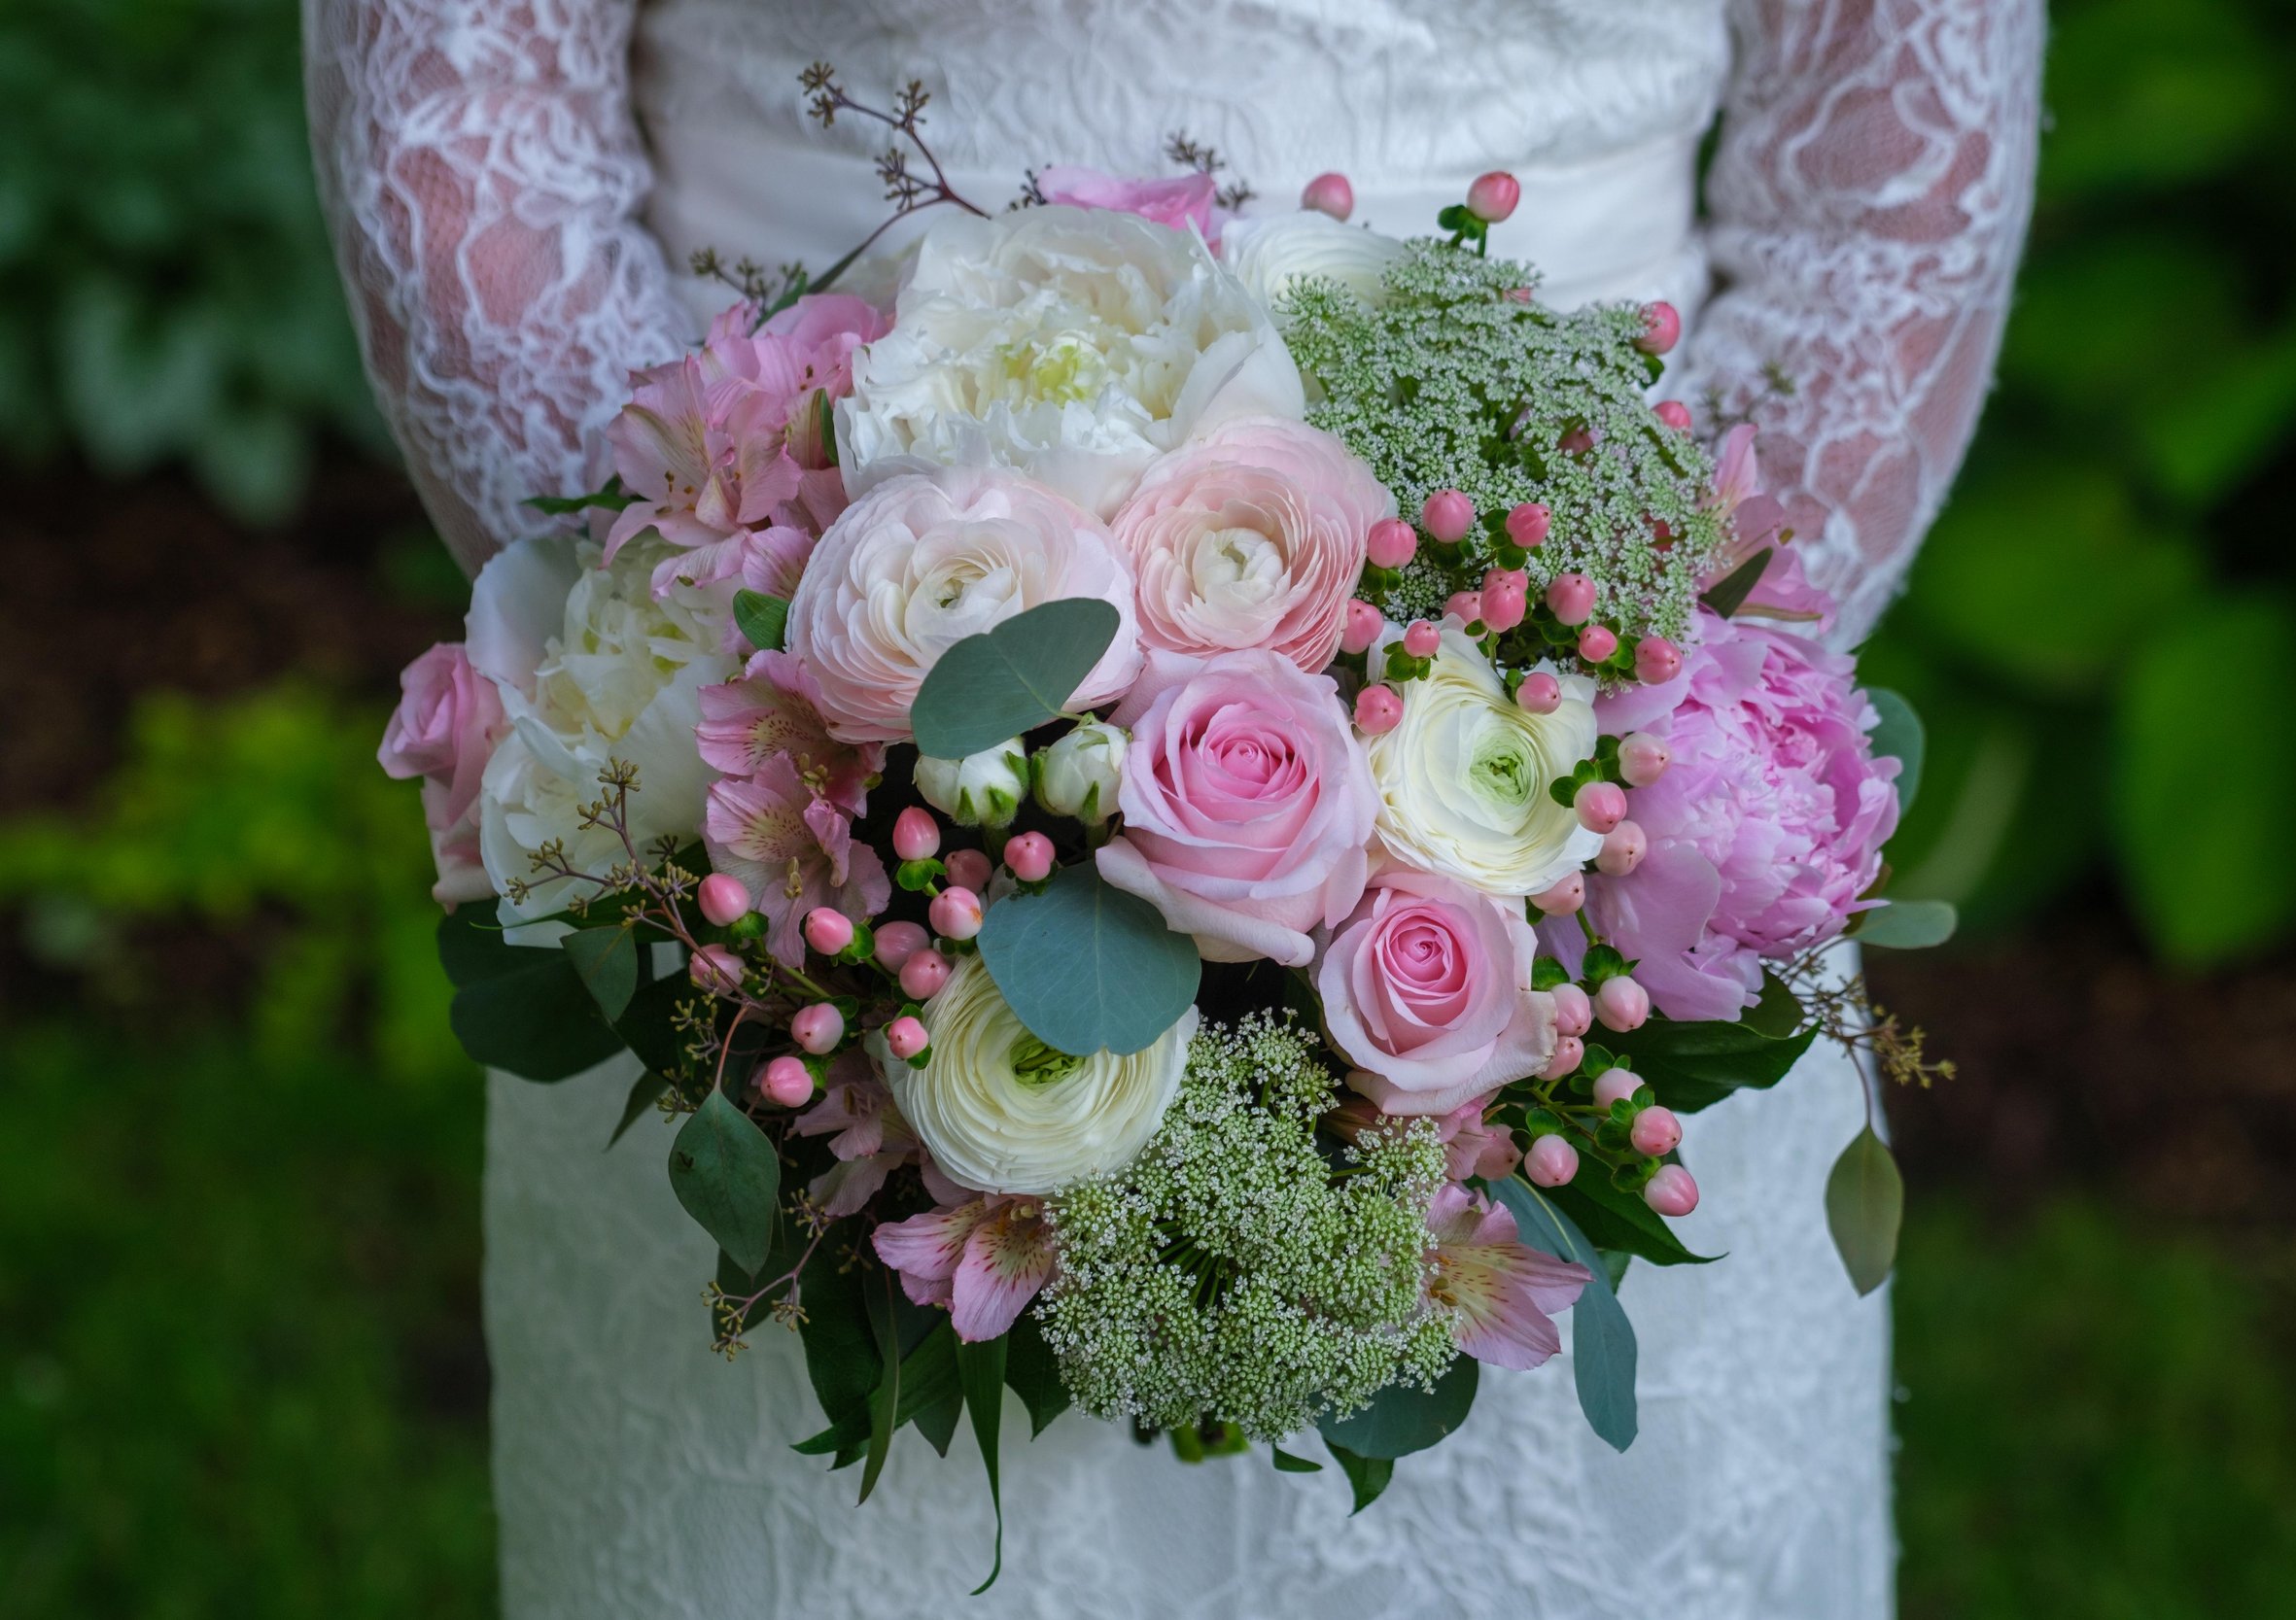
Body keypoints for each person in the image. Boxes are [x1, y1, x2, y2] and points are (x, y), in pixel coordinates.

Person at [304, 3, 2044, 1613]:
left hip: (1582, 843)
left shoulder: (1613, 793)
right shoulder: (775, 798)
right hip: (792, 814)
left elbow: (1890, 188)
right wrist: (727, 664)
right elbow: (462, 119)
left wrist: (1609, 748)